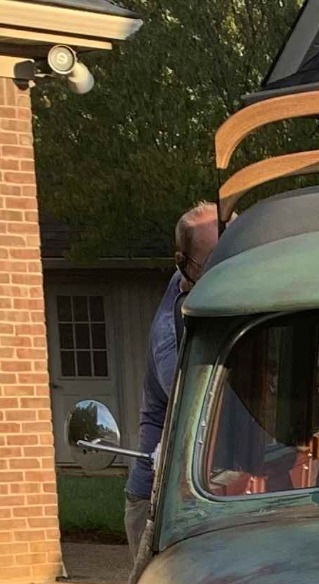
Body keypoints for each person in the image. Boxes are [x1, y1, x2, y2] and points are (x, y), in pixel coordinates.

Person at [125, 201, 222, 556]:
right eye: (213, 261)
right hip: (159, 499)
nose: (225, 268)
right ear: (183, 262)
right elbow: (201, 408)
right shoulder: (171, 333)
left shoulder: (203, 290)